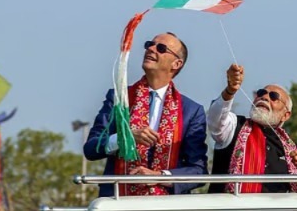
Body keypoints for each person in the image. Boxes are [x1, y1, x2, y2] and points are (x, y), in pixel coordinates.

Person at [84, 32, 208, 196]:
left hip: (167, 204)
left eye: (161, 48)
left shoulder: (191, 111)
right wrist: (126, 138)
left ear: (176, 63)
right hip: (119, 200)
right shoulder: (119, 98)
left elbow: (198, 171)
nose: (151, 49)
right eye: (149, 44)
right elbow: (91, 148)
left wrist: (159, 177)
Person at [206, 64, 297, 194]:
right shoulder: (233, 126)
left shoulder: (291, 148)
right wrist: (229, 91)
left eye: (274, 97)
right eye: (261, 93)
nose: (264, 97)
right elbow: (215, 120)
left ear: (285, 115)